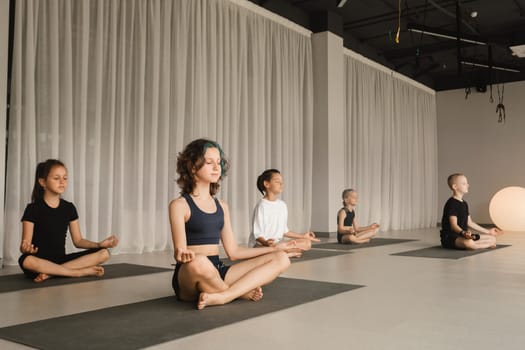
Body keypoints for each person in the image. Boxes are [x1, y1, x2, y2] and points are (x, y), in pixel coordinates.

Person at [169, 139, 299, 310]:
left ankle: (223, 296)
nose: (216, 167)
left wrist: (276, 249)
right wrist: (182, 253)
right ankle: (237, 293)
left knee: (281, 259)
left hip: (218, 270)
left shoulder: (222, 206)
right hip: (190, 273)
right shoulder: (179, 205)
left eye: (218, 162)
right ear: (193, 167)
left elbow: (234, 252)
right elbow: (179, 252)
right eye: (209, 162)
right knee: (200, 262)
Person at [19, 159, 118, 282]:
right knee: (26, 260)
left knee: (104, 253)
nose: (62, 182)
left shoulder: (69, 208)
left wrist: (98, 244)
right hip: (40, 262)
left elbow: (78, 241)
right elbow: (25, 245)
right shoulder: (32, 209)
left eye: (65, 178)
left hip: (61, 260)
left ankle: (51, 274)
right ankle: (76, 273)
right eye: (56, 178)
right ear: (42, 182)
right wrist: (27, 249)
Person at [248, 169, 319, 253]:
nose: (281, 184)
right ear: (266, 184)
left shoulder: (282, 205)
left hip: (277, 244)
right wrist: (266, 243)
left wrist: (303, 236)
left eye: (282, 182)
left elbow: (285, 231)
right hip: (261, 245)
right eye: (277, 182)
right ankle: (282, 251)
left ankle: (281, 251)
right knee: (278, 247)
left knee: (307, 243)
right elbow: (258, 235)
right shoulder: (261, 206)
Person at [440, 173, 501, 250]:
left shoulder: (464, 203)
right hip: (450, 237)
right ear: (455, 186)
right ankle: (482, 245)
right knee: (468, 243)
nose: (467, 185)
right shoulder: (452, 203)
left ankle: (481, 243)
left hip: (464, 236)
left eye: (467, 183)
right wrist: (463, 233)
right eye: (464, 183)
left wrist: (488, 232)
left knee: (492, 238)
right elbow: (453, 226)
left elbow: (470, 223)